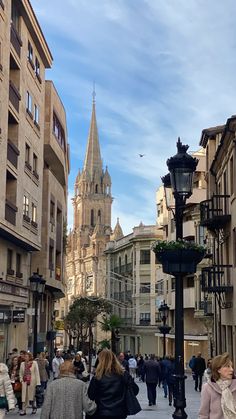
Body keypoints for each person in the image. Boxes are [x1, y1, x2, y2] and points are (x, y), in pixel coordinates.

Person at [87, 348, 139, 419]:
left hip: (101, 412)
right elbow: (135, 390)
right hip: (119, 412)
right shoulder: (123, 375)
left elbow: (91, 395)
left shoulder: (97, 377)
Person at [199, 352, 236, 419]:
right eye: (228, 366)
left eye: (231, 366)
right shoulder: (208, 388)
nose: (231, 370)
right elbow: (203, 414)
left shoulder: (235, 385)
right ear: (218, 369)